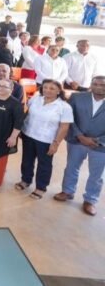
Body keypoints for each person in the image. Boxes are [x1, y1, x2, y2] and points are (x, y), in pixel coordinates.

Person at [54, 76, 105, 217]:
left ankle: (90, 200)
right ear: (91, 85)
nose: (99, 87)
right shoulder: (77, 98)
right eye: (95, 84)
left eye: (103, 85)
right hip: (77, 140)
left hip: (101, 145)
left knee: (97, 175)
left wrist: (97, 140)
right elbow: (69, 118)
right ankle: (67, 191)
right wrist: (80, 136)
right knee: (71, 167)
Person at [15, 79, 72, 199]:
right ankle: (25, 180)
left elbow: (64, 127)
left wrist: (56, 143)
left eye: (52, 88)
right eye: (45, 87)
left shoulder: (64, 107)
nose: (47, 90)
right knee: (27, 160)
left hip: (46, 140)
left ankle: (40, 188)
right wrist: (20, 130)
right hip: (28, 134)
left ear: (58, 91)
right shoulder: (36, 99)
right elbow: (27, 114)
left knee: (44, 164)